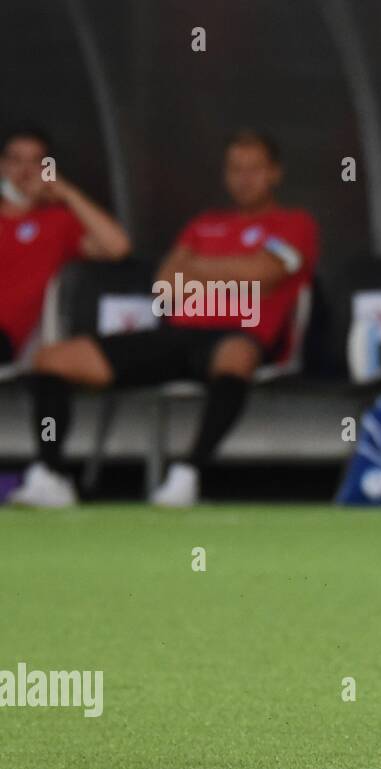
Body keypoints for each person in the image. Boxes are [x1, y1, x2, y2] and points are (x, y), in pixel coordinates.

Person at [11, 129, 318, 508]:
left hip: (241, 334)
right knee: (52, 359)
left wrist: (198, 267)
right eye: (236, 169)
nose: (244, 178)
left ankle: (188, 472)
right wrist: (234, 272)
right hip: (178, 332)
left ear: (275, 173)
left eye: (254, 169)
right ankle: (51, 475)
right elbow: (166, 284)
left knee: (236, 356)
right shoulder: (204, 223)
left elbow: (267, 273)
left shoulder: (295, 223)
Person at [0, 125, 131, 364]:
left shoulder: (60, 221)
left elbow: (117, 247)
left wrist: (64, 191)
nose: (24, 171)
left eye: (36, 162)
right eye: (15, 160)